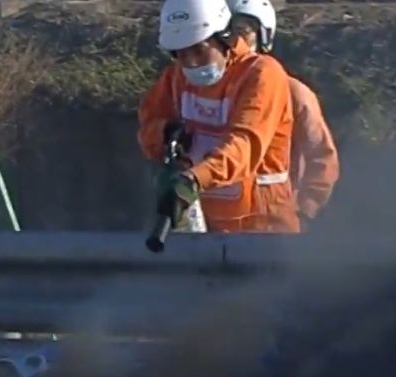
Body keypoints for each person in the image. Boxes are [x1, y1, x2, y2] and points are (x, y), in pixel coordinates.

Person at [138, 0, 299, 234]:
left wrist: (193, 179)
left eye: (199, 49)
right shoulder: (177, 76)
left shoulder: (262, 75)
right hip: (204, 225)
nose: (191, 61)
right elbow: (149, 122)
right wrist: (166, 138)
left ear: (224, 36)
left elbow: (244, 146)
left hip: (263, 229)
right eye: (180, 54)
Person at [226, 0, 340, 225]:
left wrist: (305, 210)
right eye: (226, 32)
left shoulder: (293, 93)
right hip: (219, 223)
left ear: (263, 37)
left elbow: (322, 157)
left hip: (273, 225)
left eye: (242, 32)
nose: (233, 43)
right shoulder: (208, 93)